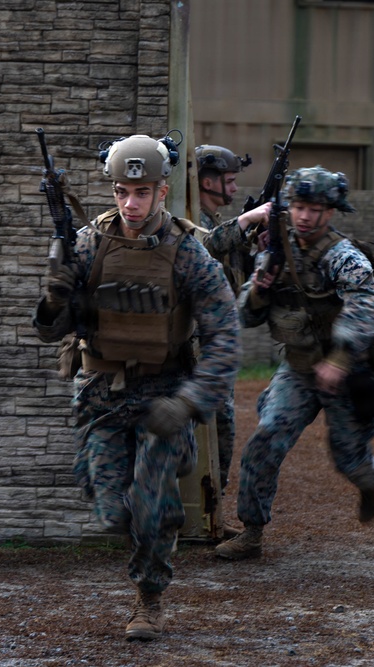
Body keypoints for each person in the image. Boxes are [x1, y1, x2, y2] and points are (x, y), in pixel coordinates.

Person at [32, 134, 240, 639]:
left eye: (142, 192)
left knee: (150, 505)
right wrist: (54, 300)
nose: (131, 203)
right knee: (110, 511)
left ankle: (149, 598)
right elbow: (51, 330)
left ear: (162, 192)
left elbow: (225, 337)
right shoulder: (89, 243)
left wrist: (188, 402)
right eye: (122, 192)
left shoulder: (188, 252)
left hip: (162, 396)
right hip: (100, 393)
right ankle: (150, 510)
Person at [215, 166, 374, 562]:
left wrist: (339, 359)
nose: (305, 216)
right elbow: (246, 316)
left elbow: (368, 307)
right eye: (298, 207)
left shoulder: (344, 257)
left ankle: (370, 476)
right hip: (299, 368)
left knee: (349, 458)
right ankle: (251, 531)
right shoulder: (276, 251)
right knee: (267, 435)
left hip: (349, 371)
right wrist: (259, 290)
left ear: (330, 212)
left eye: (314, 209)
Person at [193, 144, 273, 496]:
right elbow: (203, 246)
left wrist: (256, 247)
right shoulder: (190, 216)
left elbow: (231, 268)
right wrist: (246, 221)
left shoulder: (216, 222)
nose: (234, 187)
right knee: (209, 424)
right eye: (228, 180)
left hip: (217, 340)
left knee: (222, 425)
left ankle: (213, 501)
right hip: (195, 344)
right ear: (207, 182)